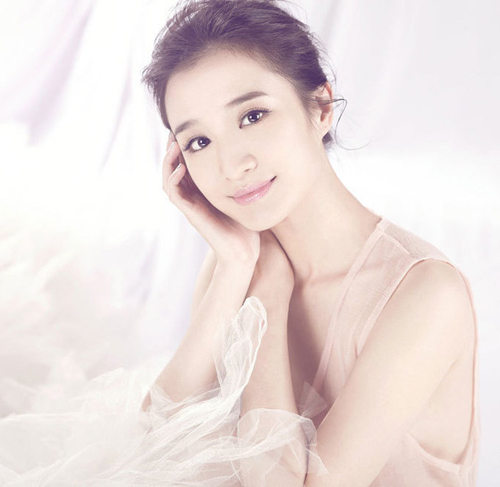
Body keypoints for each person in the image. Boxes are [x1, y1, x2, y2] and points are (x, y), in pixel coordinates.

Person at [0, 0, 480, 485]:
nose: (232, 165)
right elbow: (151, 444)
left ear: (320, 107)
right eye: (199, 142)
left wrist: (266, 295)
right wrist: (236, 264)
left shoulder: (422, 295)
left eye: (252, 115)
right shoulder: (236, 262)